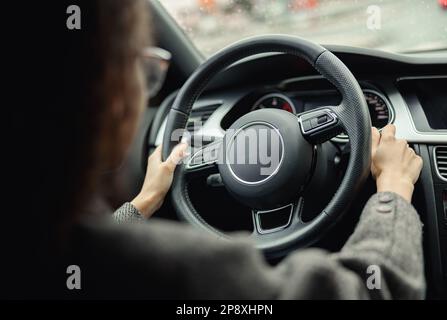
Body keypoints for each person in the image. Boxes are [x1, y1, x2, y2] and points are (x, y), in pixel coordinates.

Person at [13, 0, 425, 299]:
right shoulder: (186, 272)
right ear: (114, 97)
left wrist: (145, 201)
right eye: (147, 71)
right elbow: (375, 290)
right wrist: (392, 189)